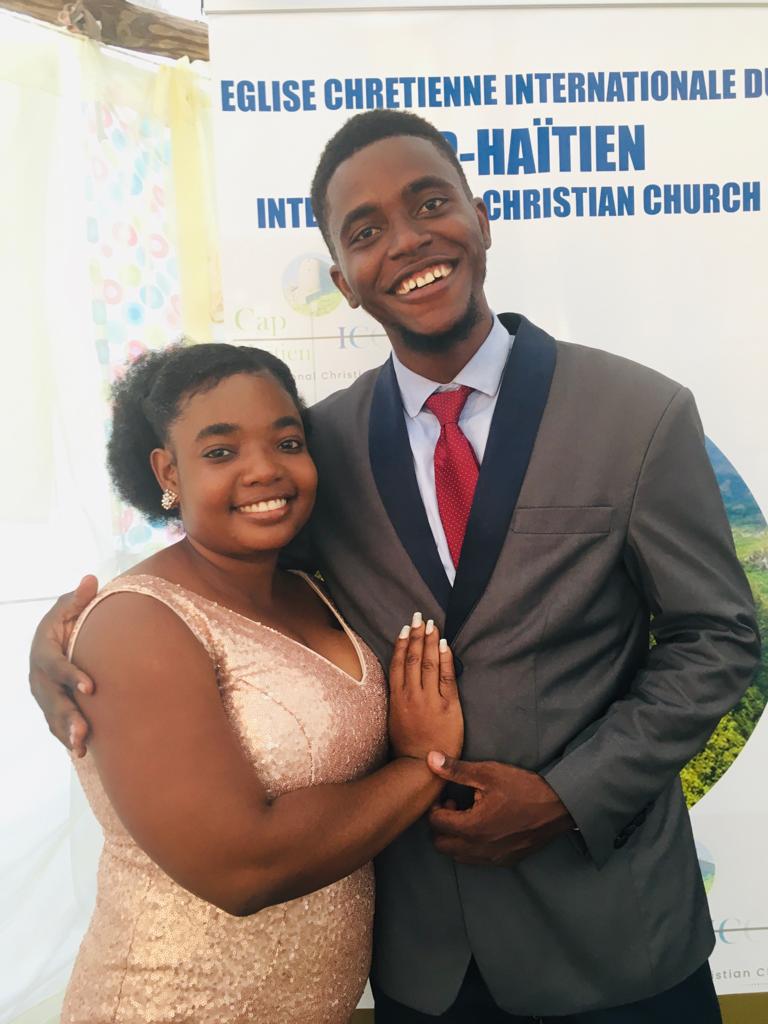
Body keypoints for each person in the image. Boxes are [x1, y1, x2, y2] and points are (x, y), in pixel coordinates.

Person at [31, 109, 759, 1022]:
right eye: (366, 230)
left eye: (430, 204)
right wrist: (69, 634)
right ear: (343, 280)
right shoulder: (317, 448)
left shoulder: (638, 413)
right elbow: (220, 588)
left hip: (614, 932)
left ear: (480, 218)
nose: (408, 241)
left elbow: (717, 638)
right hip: (422, 954)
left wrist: (567, 796)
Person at [46, 341, 463, 1024]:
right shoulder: (137, 623)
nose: (265, 469)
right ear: (167, 471)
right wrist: (423, 767)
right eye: (220, 451)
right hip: (172, 1004)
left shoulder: (312, 588)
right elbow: (241, 870)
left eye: (287, 442)